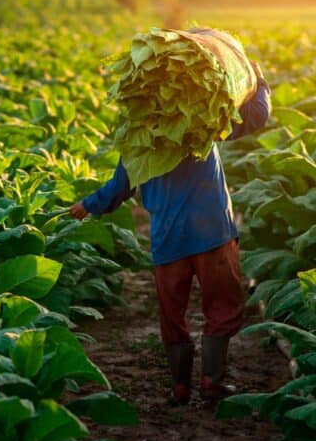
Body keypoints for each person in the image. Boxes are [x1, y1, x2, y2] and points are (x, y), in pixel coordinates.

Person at [70, 61, 271, 405]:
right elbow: (255, 117)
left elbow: (120, 186)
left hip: (168, 238)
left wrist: (87, 205)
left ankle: (180, 387)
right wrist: (258, 79)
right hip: (211, 233)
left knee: (172, 313)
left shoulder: (138, 138)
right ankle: (211, 381)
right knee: (222, 305)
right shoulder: (203, 120)